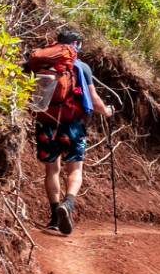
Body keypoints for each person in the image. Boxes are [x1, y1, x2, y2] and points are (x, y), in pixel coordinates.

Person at [25, 27, 112, 235]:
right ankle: (68, 204)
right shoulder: (81, 66)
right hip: (72, 125)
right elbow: (94, 101)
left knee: (51, 169)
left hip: (46, 122)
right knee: (75, 169)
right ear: (77, 45)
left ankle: (55, 215)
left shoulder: (43, 63)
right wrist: (108, 112)